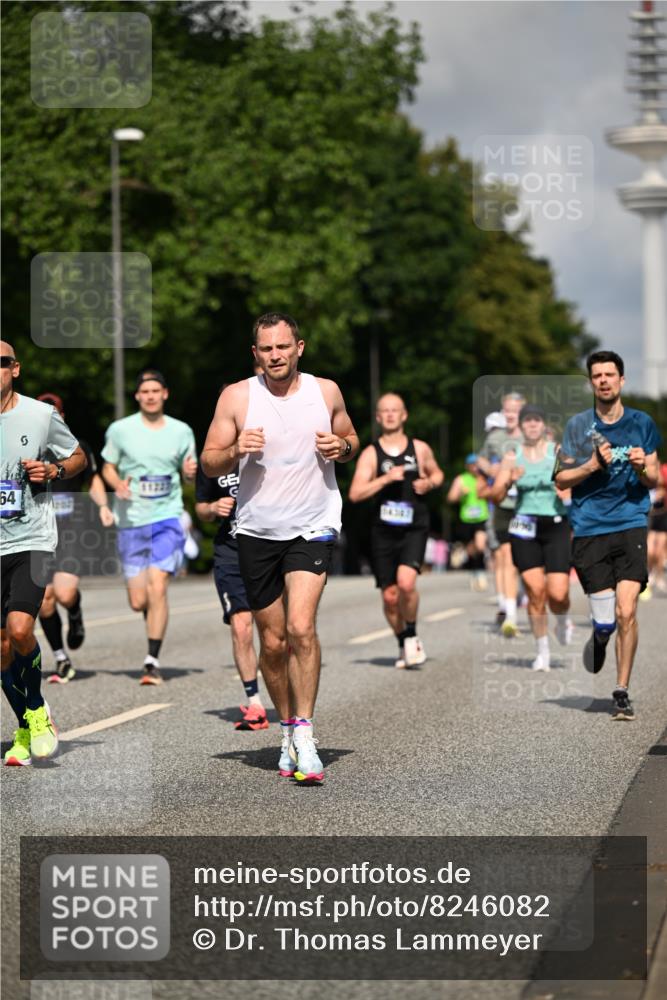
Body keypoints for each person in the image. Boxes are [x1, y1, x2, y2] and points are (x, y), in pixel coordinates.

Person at [201, 313, 358, 784]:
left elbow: (350, 437)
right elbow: (209, 462)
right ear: (256, 354)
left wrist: (342, 449)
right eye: (266, 349)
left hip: (312, 524)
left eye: (283, 347)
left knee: (300, 627)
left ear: (299, 347)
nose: (276, 356)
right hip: (255, 530)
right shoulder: (236, 397)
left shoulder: (325, 391)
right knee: (271, 642)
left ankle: (305, 734)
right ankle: (286, 726)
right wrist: (235, 451)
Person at [556, 350, 661, 720]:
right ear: (591, 382)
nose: (603, 380)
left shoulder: (642, 423)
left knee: (627, 609)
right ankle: (600, 636)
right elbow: (561, 478)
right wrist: (591, 464)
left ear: (621, 380)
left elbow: (654, 478)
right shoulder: (577, 427)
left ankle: (621, 691)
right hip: (589, 527)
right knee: (606, 620)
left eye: (609, 374)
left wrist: (640, 467)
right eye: (597, 375)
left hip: (630, 521)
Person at [0, 342, 86, 765]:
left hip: (30, 539)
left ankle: (36, 709)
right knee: (0, 648)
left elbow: (78, 457)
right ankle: (22, 726)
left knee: (19, 631)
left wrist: (53, 470)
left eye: (1, 363)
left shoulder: (39, 414)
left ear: (14, 369)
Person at [101, 369, 197, 685]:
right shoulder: (120, 430)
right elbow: (107, 468)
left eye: (157, 390)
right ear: (138, 397)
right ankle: (151, 618)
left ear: (165, 394)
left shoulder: (182, 431)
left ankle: (151, 661)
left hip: (167, 518)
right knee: (138, 600)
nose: (151, 395)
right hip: (131, 520)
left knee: (158, 585)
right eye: (146, 391)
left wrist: (189, 473)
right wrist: (118, 485)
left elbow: (190, 472)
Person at [349, 394, 444, 668]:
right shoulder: (371, 453)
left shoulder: (420, 448)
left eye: (395, 411)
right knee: (390, 597)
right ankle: (403, 639)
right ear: (378, 417)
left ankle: (412, 634)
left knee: (406, 583)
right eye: (385, 411)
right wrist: (384, 479)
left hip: (415, 526)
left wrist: (429, 484)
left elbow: (437, 474)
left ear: (404, 415)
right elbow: (355, 493)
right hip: (383, 532)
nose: (390, 415)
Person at [195, 412, 268, 731]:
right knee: (241, 625)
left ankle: (288, 692)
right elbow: (201, 506)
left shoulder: (269, 447)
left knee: (276, 632)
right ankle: (254, 702)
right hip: (230, 550)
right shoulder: (213, 458)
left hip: (269, 548)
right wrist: (212, 509)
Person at [35, 393, 113, 684]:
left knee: (64, 595)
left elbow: (93, 479)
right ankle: (60, 658)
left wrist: (104, 506)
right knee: (44, 599)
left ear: (62, 417)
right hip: (39, 533)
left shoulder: (78, 448)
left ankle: (75, 610)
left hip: (72, 533)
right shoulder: (27, 448)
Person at [490, 404, 573, 671]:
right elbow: (496, 497)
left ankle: (562, 619)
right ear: (522, 426)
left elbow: (574, 480)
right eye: (528, 421)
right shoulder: (512, 456)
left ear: (544, 424)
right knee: (536, 591)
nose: (532, 425)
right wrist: (507, 481)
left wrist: (567, 489)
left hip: (556, 525)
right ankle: (542, 651)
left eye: (537, 420)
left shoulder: (557, 452)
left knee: (558, 593)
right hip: (524, 526)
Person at [477, 394, 525, 636]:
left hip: (527, 506)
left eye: (514, 411)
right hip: (502, 505)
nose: (509, 415)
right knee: (505, 558)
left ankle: (526, 599)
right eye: (506, 411)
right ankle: (510, 614)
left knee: (523, 562)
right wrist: (491, 468)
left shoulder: (532, 435)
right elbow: (480, 461)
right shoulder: (495, 437)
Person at [446, 454, 488, 591]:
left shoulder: (484, 479)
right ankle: (474, 572)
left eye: (477, 466)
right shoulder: (461, 479)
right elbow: (450, 498)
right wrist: (460, 494)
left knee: (480, 546)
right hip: (466, 519)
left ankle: (481, 574)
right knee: (471, 549)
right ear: (468, 466)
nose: (475, 468)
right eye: (473, 465)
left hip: (481, 518)